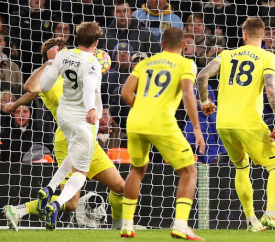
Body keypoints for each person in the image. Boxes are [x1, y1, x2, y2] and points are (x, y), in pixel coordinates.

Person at [196, 17, 275, 232]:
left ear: (244, 35)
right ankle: (271, 215)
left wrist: (205, 102)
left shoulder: (226, 54)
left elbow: (202, 75)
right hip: (248, 122)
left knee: (241, 166)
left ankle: (251, 221)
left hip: (223, 122)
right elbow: (271, 90)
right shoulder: (268, 57)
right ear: (264, 36)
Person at [119, 27, 204, 239]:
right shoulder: (186, 63)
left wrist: (143, 108)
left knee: (137, 169)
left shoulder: (145, 62)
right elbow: (187, 92)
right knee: (189, 171)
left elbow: (126, 92)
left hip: (136, 120)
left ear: (162, 44)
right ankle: (180, 224)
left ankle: (127, 225)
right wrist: (196, 127)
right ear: (184, 46)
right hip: (161, 122)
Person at [35, 22, 105, 230]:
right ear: (96, 42)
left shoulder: (62, 56)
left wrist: (51, 62)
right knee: (80, 172)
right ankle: (55, 204)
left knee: (73, 156)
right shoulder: (92, 62)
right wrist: (91, 109)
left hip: (64, 117)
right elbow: (89, 88)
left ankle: (49, 189)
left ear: (76, 38)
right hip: (83, 120)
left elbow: (45, 85)